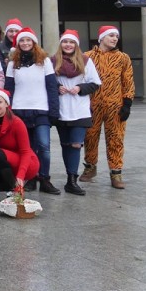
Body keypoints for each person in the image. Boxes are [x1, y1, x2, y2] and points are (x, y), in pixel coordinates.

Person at [5, 28, 60, 194]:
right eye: (22, 40)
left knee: (44, 146)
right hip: (19, 111)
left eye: (28, 40)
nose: (25, 43)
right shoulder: (13, 63)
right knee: (27, 148)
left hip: (41, 109)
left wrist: (54, 111)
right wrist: (7, 112)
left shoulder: (45, 61)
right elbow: (8, 89)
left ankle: (44, 178)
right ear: (18, 44)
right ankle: (31, 177)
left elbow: (52, 87)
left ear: (34, 42)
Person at [81, 25, 135, 189]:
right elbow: (81, 80)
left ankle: (116, 173)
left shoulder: (123, 58)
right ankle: (90, 167)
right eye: (111, 36)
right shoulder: (87, 57)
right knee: (90, 137)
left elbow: (128, 81)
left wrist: (127, 104)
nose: (114, 39)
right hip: (92, 105)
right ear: (101, 38)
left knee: (116, 139)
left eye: (116, 36)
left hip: (115, 106)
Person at [52, 30, 101, 196]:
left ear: (76, 45)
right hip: (61, 109)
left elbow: (95, 83)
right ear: (61, 44)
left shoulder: (86, 61)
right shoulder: (53, 61)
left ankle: (73, 179)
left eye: (71, 42)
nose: (68, 45)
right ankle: (69, 180)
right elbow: (47, 82)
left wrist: (80, 88)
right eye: (65, 42)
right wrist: (57, 87)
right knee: (65, 144)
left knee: (75, 144)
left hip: (80, 109)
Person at [0, 89, 39, 191]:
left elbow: (25, 152)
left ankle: (13, 187)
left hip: (25, 163)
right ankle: (8, 186)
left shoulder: (17, 122)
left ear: (6, 104)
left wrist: (21, 175)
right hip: (2, 163)